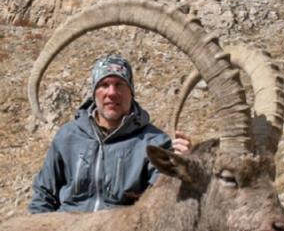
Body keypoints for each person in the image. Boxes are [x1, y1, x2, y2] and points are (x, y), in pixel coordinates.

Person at [29, 54, 191, 213]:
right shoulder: (68, 136)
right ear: (94, 93)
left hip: (122, 228)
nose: (112, 92)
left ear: (131, 91)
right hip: (68, 226)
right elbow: (43, 195)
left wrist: (185, 168)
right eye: (104, 85)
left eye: (120, 84)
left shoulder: (155, 143)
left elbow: (164, 202)